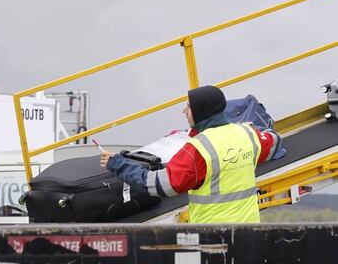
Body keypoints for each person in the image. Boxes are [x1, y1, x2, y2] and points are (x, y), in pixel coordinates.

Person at [100, 85, 281, 223]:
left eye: (189, 106)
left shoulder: (199, 149)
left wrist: (117, 164)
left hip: (213, 238)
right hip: (249, 232)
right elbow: (273, 141)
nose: (184, 111)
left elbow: (159, 185)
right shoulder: (247, 134)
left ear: (202, 111)